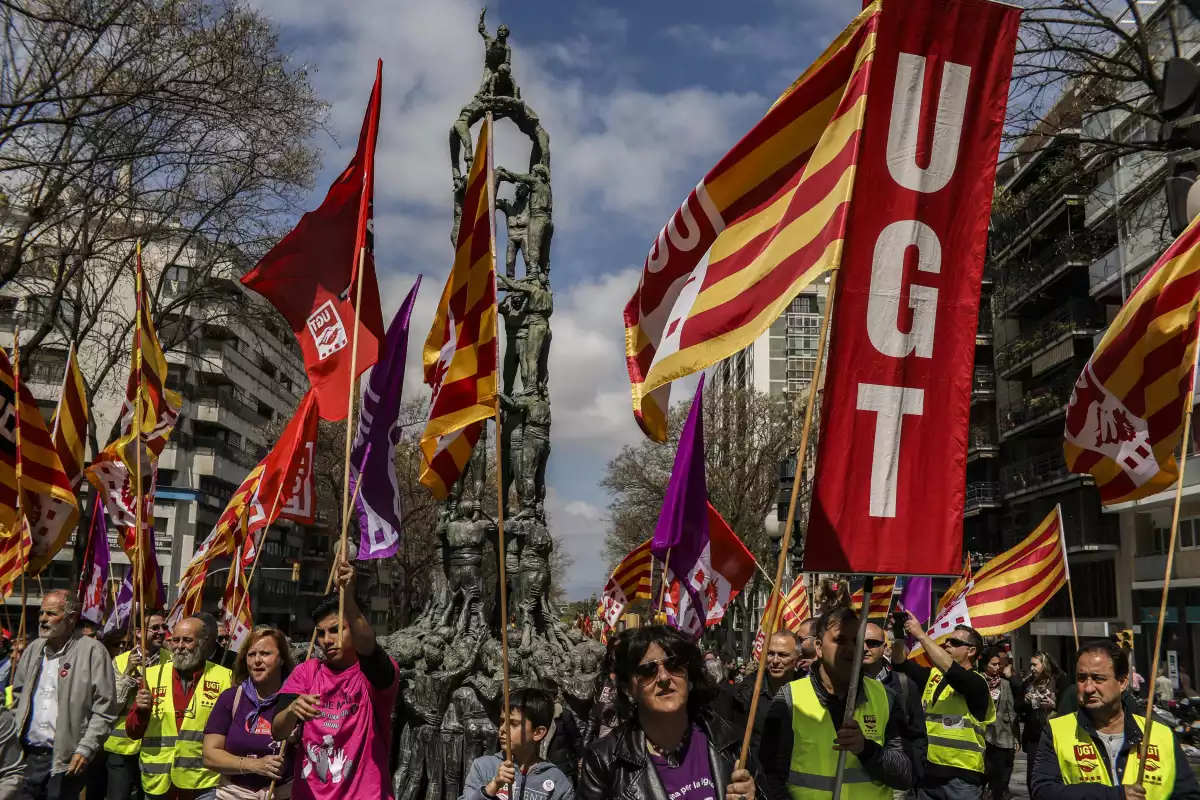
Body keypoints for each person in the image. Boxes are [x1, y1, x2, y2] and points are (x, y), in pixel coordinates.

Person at [577, 625, 757, 800]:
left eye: (674, 664)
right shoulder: (604, 761)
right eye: (648, 670)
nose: (664, 677)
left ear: (689, 676)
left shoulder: (731, 741)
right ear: (628, 689)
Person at [272, 555, 398, 800]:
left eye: (336, 629)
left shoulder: (372, 676)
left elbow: (368, 645)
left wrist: (348, 598)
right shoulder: (306, 672)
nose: (327, 640)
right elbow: (278, 731)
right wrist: (292, 711)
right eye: (320, 633)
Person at [760, 609, 913, 800]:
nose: (851, 649)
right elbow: (770, 778)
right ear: (818, 647)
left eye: (856, 641)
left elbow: (905, 775)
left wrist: (866, 749)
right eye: (840, 640)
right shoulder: (789, 698)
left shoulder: (885, 697)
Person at [1030, 639, 1200, 800]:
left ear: (1123, 682)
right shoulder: (1057, 731)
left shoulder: (1160, 735)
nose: (1088, 688)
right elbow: (1043, 792)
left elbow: (1188, 795)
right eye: (1082, 678)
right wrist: (1114, 796)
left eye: (1099, 679)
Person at [12, 589, 117, 800]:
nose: (43, 619)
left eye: (51, 614)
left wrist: (86, 748)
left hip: (65, 761)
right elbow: (17, 697)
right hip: (26, 757)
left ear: (70, 618)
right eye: (42, 613)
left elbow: (105, 710)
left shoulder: (93, 652)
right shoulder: (34, 650)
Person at [126, 614, 233, 799]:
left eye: (187, 640)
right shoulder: (151, 675)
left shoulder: (225, 678)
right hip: (158, 781)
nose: (180, 646)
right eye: (175, 640)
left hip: (203, 782)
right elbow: (133, 731)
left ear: (203, 642)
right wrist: (141, 711)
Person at [893, 610, 995, 800]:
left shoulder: (976, 683)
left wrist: (921, 635)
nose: (947, 644)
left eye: (955, 642)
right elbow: (900, 663)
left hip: (962, 779)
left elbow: (954, 673)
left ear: (971, 651)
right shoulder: (933, 676)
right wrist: (898, 635)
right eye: (947, 641)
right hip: (929, 773)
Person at [203, 626, 295, 800]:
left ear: (282, 659)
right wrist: (255, 765)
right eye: (251, 654)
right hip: (233, 795)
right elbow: (209, 755)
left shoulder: (295, 701)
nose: (257, 660)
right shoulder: (231, 698)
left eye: (265, 654)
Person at [461, 687, 574, 800]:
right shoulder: (483, 768)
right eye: (502, 721)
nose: (503, 729)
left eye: (513, 723)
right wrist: (492, 787)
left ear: (538, 733)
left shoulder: (557, 781)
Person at [107, 610, 172, 800]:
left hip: (156, 745)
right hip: (122, 747)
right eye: (155, 628)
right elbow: (111, 706)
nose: (161, 632)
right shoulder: (119, 661)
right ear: (138, 632)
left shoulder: (172, 659)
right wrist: (127, 672)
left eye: (164, 627)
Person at [862, 621, 927, 794]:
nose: (865, 647)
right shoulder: (845, 684)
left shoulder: (904, 685)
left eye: (872, 643)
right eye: (859, 641)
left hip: (897, 783)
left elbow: (917, 734)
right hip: (858, 779)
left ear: (884, 647)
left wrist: (913, 773)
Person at [734, 630, 802, 757]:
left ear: (797, 659)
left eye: (783, 655)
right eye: (770, 654)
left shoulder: (808, 689)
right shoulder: (746, 692)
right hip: (758, 772)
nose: (775, 661)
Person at [1016, 651, 1069, 791]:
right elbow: (1017, 706)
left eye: (1035, 664)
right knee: (1032, 776)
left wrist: (1054, 704)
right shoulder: (1028, 682)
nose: (1032, 668)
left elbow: (1070, 705)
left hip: (1056, 734)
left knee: (1055, 774)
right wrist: (1025, 700)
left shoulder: (1060, 680)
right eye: (1030, 665)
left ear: (1044, 664)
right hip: (1034, 735)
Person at [980, 648, 1018, 800]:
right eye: (993, 664)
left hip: (1002, 733)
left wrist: (1015, 737)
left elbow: (1011, 710)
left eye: (998, 664)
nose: (997, 667)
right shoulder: (978, 681)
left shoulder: (1005, 684)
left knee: (1002, 772)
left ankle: (997, 794)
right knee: (985, 771)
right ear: (984, 665)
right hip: (983, 734)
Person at [537, 677, 583, 787]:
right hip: (542, 767)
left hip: (564, 769)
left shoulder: (563, 715)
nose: (545, 701)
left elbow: (576, 739)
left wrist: (581, 757)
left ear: (554, 697)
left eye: (548, 696)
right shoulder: (535, 717)